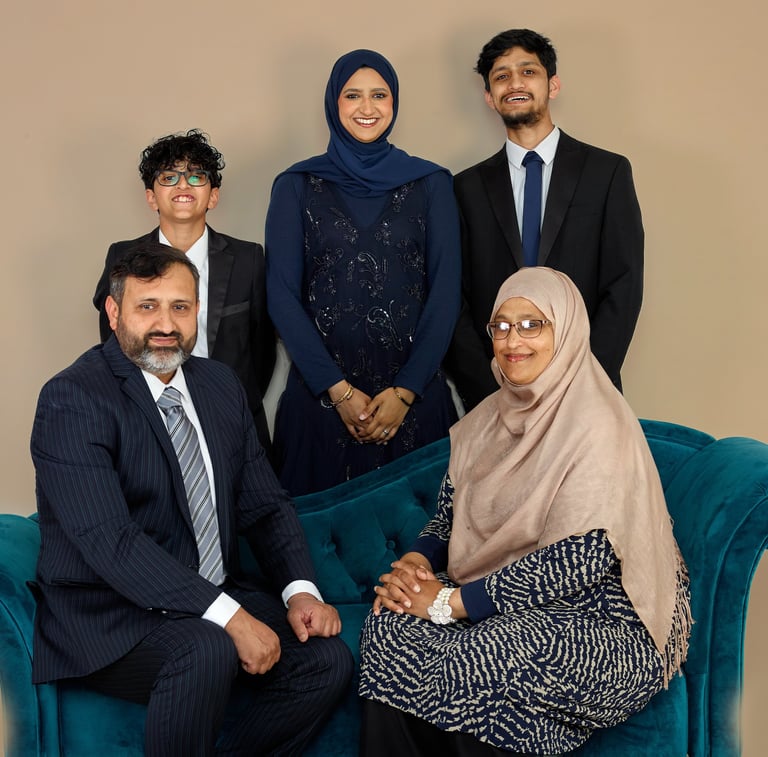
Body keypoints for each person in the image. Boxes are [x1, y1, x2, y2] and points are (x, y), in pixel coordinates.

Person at [32, 244, 353, 756]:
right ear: (114, 313)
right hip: (109, 613)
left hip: (204, 595)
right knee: (206, 650)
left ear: (197, 311)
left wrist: (300, 592)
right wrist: (227, 616)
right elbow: (109, 541)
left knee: (327, 660)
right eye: (147, 306)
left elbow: (265, 505)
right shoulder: (73, 399)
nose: (166, 323)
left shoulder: (219, 385)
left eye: (180, 307)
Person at [358, 267, 691, 755]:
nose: (513, 340)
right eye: (502, 325)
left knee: (494, 648)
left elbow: (577, 562)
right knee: (388, 625)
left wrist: (446, 603)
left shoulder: (598, 425)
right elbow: (450, 516)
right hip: (501, 597)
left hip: (605, 618)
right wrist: (417, 563)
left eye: (533, 324)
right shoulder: (488, 421)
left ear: (567, 331)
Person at [265, 49, 461, 496]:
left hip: (415, 404)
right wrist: (339, 392)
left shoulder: (432, 183)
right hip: (320, 404)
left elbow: (446, 293)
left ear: (394, 104)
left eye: (380, 95)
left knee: (423, 556)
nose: (367, 108)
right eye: (353, 95)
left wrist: (406, 391)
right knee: (313, 553)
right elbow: (281, 295)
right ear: (334, 103)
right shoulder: (295, 185)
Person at [447, 29, 644, 411]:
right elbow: (454, 298)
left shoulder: (607, 172)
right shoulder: (464, 189)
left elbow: (624, 284)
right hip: (496, 397)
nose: (515, 83)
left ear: (552, 85)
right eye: (501, 76)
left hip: (588, 394)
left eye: (528, 71)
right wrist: (489, 392)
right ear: (489, 97)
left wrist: (586, 378)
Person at [93, 129, 275, 453]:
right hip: (147, 421)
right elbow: (114, 344)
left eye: (195, 177)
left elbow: (262, 353)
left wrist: (230, 395)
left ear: (213, 196)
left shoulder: (249, 259)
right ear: (151, 197)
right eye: (169, 177)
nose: (182, 185)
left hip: (233, 422)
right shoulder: (121, 256)